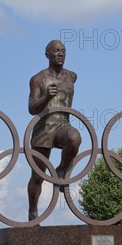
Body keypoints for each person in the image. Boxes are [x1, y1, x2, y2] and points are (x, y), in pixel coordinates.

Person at [27, 40, 81, 221]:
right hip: (43, 127)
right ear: (47, 54)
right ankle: (32, 211)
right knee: (37, 176)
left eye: (63, 51)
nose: (60, 54)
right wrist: (45, 97)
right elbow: (32, 108)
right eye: (56, 51)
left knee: (75, 138)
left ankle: (61, 169)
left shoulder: (72, 76)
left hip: (63, 125)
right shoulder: (38, 79)